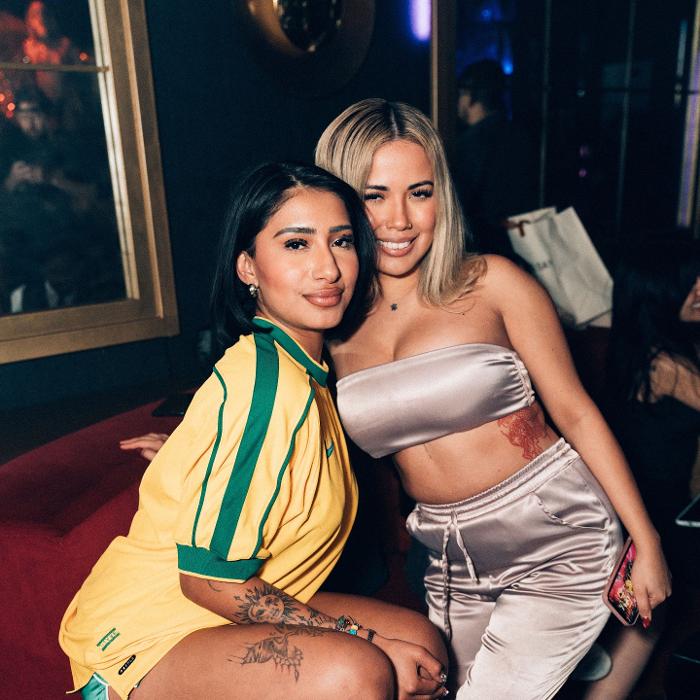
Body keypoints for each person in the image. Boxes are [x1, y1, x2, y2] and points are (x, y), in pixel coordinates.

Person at [313, 98, 671, 699]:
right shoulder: (332, 326)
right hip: (447, 557)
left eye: (420, 193)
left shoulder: (493, 283)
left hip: (556, 533)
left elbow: (577, 412)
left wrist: (647, 540)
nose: (400, 219)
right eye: (375, 195)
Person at [60, 161, 447, 700]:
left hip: (225, 612)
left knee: (419, 642)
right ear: (248, 266)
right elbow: (208, 579)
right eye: (296, 244)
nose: (327, 269)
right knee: (358, 671)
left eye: (340, 242)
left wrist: (189, 455)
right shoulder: (270, 387)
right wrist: (363, 637)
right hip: (147, 636)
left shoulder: (301, 370)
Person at [583, 238, 700, 699]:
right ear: (659, 291)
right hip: (653, 513)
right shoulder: (665, 363)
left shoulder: (643, 349)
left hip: (648, 507)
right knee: (646, 617)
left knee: (646, 617)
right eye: (689, 282)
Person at [452, 59, 538, 258]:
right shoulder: (520, 135)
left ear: (470, 96)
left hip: (482, 244)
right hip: (518, 242)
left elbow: (463, 200)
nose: (458, 102)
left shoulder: (471, 143)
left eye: (460, 94)